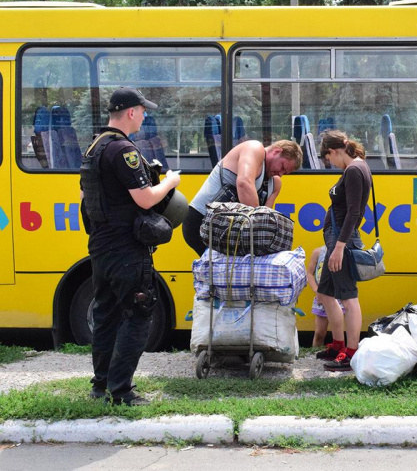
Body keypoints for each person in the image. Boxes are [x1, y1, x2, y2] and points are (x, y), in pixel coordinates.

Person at [80, 87, 181, 406]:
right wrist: (169, 182)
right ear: (130, 112)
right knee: (139, 314)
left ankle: (101, 385)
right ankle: (122, 391)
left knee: (106, 315)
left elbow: (84, 198)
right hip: (127, 249)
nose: (145, 115)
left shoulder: (94, 148)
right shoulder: (124, 150)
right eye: (143, 110)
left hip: (101, 247)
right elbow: (145, 198)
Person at [314, 130, 372, 372]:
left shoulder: (355, 170)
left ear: (333, 151)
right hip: (335, 241)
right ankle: (338, 344)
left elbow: (354, 212)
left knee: (348, 296)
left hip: (341, 242)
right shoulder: (353, 169)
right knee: (325, 292)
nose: (331, 164)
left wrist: (339, 247)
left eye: (328, 159)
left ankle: (351, 351)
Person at [182, 139, 302, 256]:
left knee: (235, 272)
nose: (280, 174)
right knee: (223, 270)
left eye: (285, 173)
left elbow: (267, 217)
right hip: (201, 221)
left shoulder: (275, 184)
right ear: (276, 151)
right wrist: (258, 227)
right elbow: (244, 183)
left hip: (225, 228)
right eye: (282, 167)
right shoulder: (254, 148)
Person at [305, 246, 346, 347]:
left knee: (338, 333)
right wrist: (317, 290)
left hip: (340, 297)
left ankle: (338, 353)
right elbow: (309, 274)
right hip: (322, 296)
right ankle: (315, 354)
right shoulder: (318, 252)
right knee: (319, 333)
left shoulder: (346, 251)